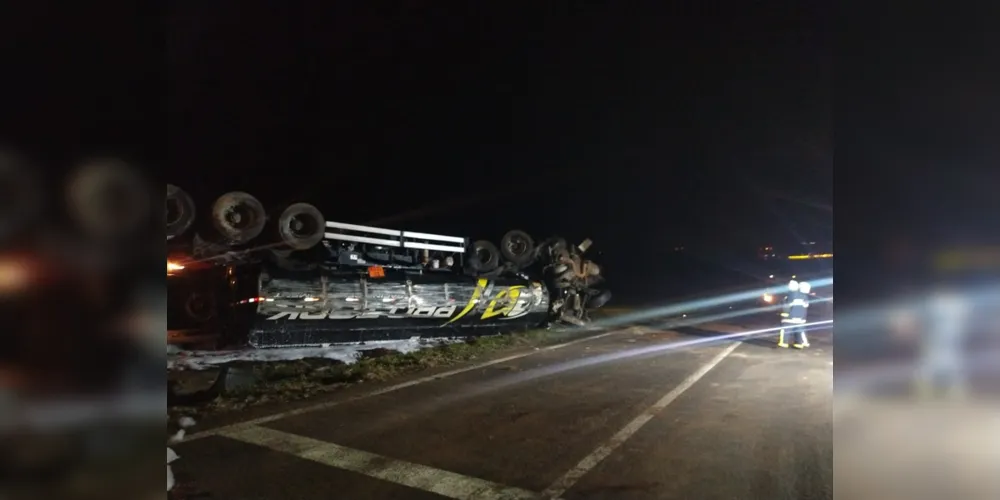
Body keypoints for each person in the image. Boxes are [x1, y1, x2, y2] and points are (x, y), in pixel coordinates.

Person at [778, 279, 810, 348]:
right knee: (799, 331)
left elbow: (786, 305)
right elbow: (805, 306)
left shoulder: (790, 294)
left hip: (789, 317)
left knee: (785, 331)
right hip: (801, 318)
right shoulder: (804, 296)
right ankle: (799, 344)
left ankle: (784, 343)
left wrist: (784, 314)